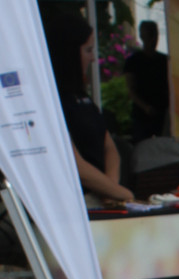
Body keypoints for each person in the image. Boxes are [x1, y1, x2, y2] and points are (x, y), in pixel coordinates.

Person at [42, 12, 134, 205]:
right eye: (88, 50)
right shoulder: (50, 101)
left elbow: (109, 147)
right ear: (69, 53)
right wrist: (121, 193)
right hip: (73, 204)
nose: (93, 58)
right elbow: (75, 164)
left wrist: (111, 189)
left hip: (102, 198)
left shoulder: (82, 97)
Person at [123, 20, 169, 143]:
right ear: (143, 37)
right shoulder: (133, 62)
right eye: (151, 36)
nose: (154, 40)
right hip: (141, 116)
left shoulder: (164, 61)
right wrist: (145, 107)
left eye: (156, 35)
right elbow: (131, 90)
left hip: (162, 113)